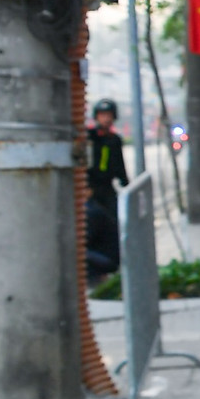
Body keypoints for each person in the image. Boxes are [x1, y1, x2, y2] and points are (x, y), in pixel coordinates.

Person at [84, 98, 127, 279]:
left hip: (107, 188)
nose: (106, 119)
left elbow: (119, 165)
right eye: (102, 115)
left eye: (109, 116)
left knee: (112, 223)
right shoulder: (90, 137)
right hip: (91, 189)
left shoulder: (114, 140)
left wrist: (126, 182)